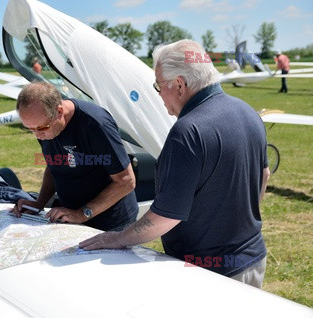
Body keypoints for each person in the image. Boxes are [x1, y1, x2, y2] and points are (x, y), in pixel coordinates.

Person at [80, 39, 270, 288]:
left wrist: (117, 239)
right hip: (253, 259)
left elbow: (165, 218)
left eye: (159, 86)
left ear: (180, 84)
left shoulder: (187, 132)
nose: (158, 95)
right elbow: (264, 175)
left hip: (208, 275)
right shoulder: (247, 111)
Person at [13, 82, 138, 231]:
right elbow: (54, 164)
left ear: (59, 111)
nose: (37, 135)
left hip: (111, 223)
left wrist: (82, 214)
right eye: (30, 129)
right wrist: (39, 203)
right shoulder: (43, 124)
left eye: (41, 128)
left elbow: (126, 181)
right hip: (72, 218)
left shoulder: (96, 124)